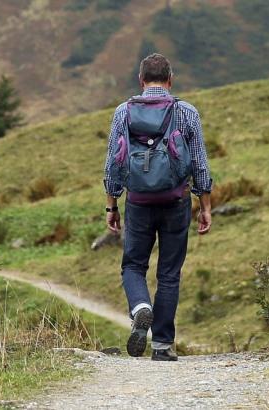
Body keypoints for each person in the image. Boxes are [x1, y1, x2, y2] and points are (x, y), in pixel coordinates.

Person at [103, 53, 212, 361]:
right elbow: (200, 164)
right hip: (176, 200)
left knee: (133, 265)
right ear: (170, 79)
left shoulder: (123, 112)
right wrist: (205, 205)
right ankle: (162, 345)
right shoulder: (186, 112)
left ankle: (141, 307)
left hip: (137, 201)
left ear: (141, 80)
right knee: (169, 273)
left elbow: (113, 162)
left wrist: (112, 205)